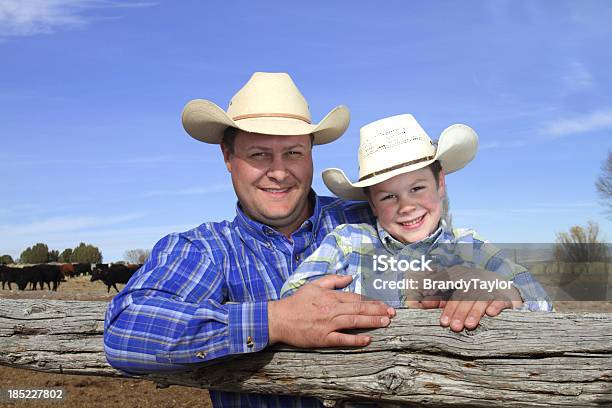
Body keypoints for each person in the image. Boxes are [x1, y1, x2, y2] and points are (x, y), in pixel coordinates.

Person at [103, 72, 396, 407]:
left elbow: (447, 261)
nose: (279, 172)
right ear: (228, 158)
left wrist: (466, 286)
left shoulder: (369, 219)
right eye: (259, 154)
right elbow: (126, 328)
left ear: (312, 154)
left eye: (293, 153)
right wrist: (277, 320)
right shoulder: (208, 248)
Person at [280, 114, 552, 331]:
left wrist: (502, 289)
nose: (406, 206)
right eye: (388, 196)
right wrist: (404, 285)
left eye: (417, 188)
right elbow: (293, 298)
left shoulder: (470, 246)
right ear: (372, 203)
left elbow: (542, 303)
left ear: (440, 183)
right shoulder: (348, 241)